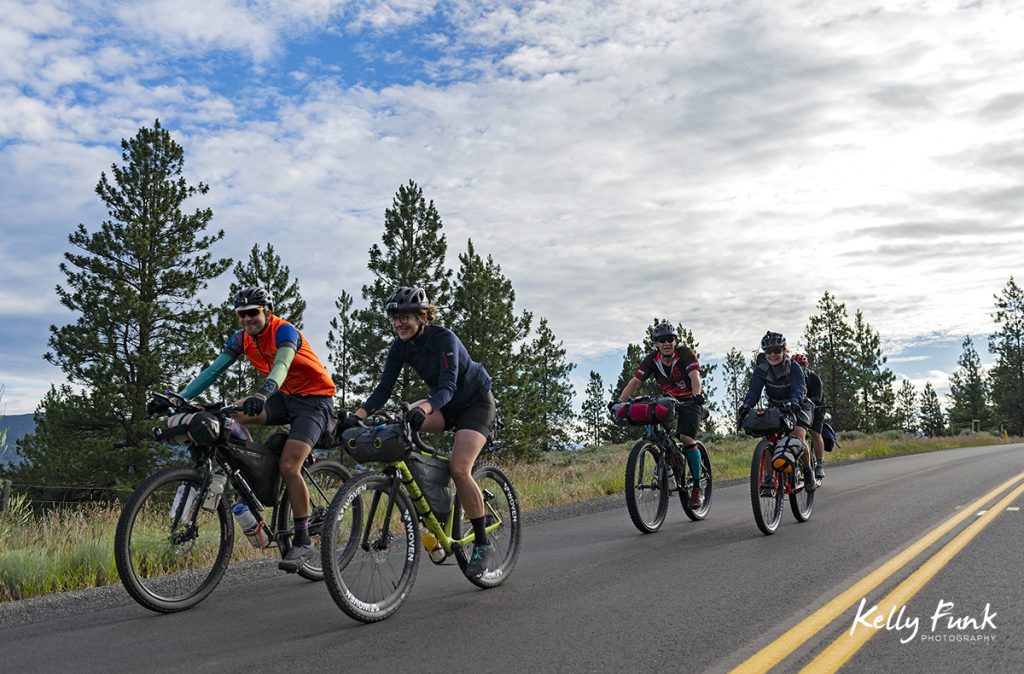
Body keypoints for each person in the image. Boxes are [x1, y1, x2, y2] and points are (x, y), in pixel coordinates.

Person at [178, 287, 337, 571]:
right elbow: (214, 370)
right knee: (228, 416)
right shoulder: (242, 339)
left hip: (314, 401)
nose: (247, 319)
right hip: (284, 397)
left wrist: (263, 394)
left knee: (290, 466)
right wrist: (181, 398)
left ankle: (302, 540)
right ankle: (250, 476)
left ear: (267, 311)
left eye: (253, 312)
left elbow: (282, 364)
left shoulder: (284, 331)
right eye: (242, 314)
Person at [350, 286, 498, 580]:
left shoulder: (444, 340)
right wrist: (356, 416)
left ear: (422, 316)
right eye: (394, 318)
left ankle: (482, 542)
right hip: (444, 405)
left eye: (404, 317)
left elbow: (447, 387)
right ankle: (433, 497)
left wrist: (426, 408)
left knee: (459, 468)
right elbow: (383, 389)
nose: (398, 324)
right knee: (399, 425)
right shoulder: (400, 346)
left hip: (475, 404)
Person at [614, 322, 707, 507]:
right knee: (653, 425)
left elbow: (695, 376)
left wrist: (697, 396)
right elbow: (635, 382)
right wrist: (619, 402)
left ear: (676, 341)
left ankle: (696, 487)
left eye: (670, 339)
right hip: (669, 400)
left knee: (686, 438)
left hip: (690, 401)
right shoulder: (651, 360)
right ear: (656, 344)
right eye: (661, 340)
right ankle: (668, 463)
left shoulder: (685, 354)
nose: (667, 343)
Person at [737, 331, 816, 492]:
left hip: (799, 405)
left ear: (784, 351)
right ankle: (768, 479)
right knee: (769, 440)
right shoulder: (762, 368)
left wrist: (795, 403)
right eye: (769, 352)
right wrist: (746, 405)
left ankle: (808, 471)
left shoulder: (793, 366)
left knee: (797, 437)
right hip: (776, 407)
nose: (773, 355)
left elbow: (799, 388)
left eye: (777, 351)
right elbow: (754, 390)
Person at [792, 353, 826, 481]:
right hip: (799, 406)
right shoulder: (791, 377)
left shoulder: (813, 377)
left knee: (815, 432)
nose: (799, 367)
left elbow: (818, 396)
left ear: (806, 365)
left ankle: (819, 464)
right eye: (797, 365)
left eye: (802, 365)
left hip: (817, 407)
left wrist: (810, 402)